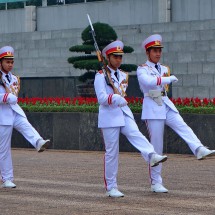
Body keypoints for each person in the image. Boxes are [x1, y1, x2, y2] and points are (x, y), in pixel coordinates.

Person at [136, 34, 215, 193]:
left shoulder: (164, 68)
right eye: (154, 50)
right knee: (156, 146)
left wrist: (166, 79)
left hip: (164, 102)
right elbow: (149, 84)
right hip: (152, 105)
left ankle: (198, 148)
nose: (158, 53)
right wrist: (167, 79)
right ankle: (156, 182)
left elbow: (161, 90)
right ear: (148, 52)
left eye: (159, 50)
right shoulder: (142, 69)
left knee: (182, 125)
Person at [94, 40, 168, 198]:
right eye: (115, 57)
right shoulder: (100, 75)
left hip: (123, 112)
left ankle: (151, 155)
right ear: (108, 57)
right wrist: (114, 97)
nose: (119, 60)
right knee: (112, 152)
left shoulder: (123, 75)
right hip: (109, 116)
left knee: (136, 134)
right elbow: (101, 98)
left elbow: (121, 92)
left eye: (120, 57)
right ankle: (111, 186)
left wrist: (117, 95)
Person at [0, 46, 50, 188]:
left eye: (11, 62)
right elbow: (7, 97)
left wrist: (10, 97)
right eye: (7, 61)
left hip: (15, 111)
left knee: (26, 126)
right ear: (1, 62)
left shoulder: (15, 78)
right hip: (2, 115)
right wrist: (5, 97)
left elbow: (14, 96)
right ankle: (7, 178)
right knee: (3, 149)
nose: (10, 64)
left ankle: (38, 142)